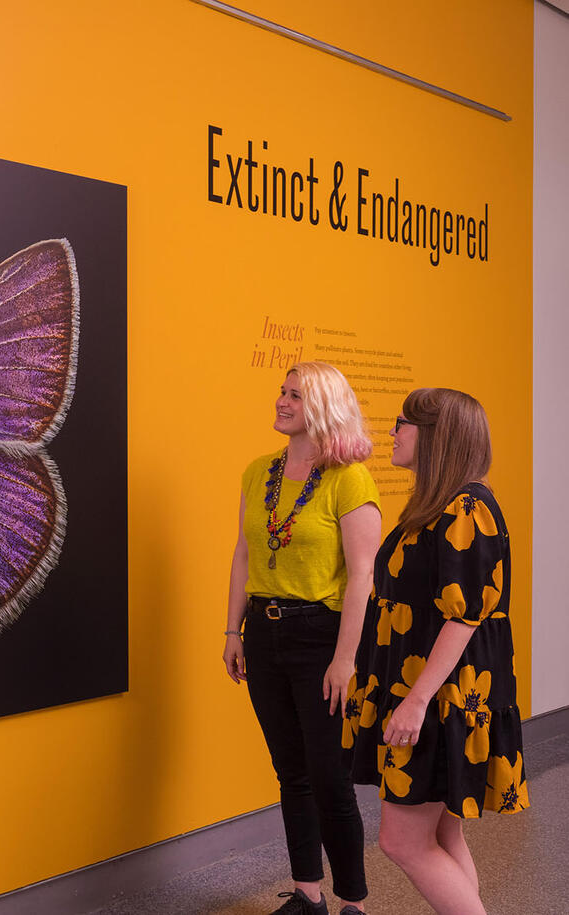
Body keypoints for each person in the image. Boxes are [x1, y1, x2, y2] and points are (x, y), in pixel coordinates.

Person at [345, 389, 528, 914]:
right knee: (444, 839)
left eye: (402, 423)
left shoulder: (466, 506)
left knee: (402, 842)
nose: (392, 432)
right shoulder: (441, 503)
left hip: (439, 691)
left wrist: (416, 700)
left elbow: (464, 615)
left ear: (436, 435)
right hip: (432, 687)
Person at [225, 362, 381, 915]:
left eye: (294, 395)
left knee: (328, 776)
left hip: (321, 637)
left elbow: (363, 576)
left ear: (320, 407)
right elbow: (244, 554)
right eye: (281, 391)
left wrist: (345, 658)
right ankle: (307, 895)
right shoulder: (256, 472)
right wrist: (232, 629)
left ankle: (353, 903)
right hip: (263, 635)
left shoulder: (349, 478)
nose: (281, 401)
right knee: (291, 771)